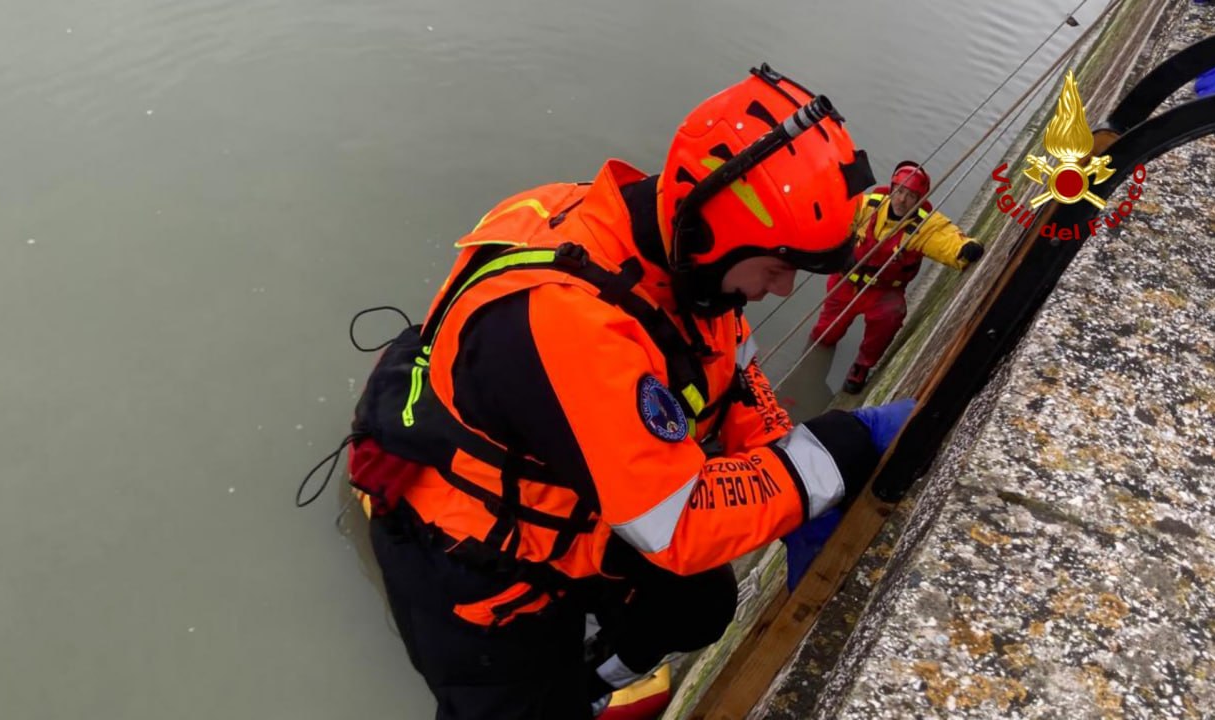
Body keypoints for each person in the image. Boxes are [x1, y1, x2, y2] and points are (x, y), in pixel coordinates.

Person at [347, 65, 915, 720]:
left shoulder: (681, 260)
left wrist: (778, 449)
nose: (783, 289)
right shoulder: (570, 322)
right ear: (715, 233)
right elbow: (676, 522)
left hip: (580, 503)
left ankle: (597, 678)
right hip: (479, 568)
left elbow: (735, 376)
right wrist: (827, 458)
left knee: (697, 605)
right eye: (779, 266)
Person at [808, 161, 985, 394]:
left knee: (889, 318)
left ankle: (862, 365)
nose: (902, 200)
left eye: (911, 196)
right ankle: (814, 358)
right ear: (892, 188)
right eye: (900, 191)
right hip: (846, 282)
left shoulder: (924, 225)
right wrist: (840, 252)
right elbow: (836, 218)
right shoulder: (868, 206)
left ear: (919, 199)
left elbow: (946, 239)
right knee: (824, 333)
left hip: (884, 292)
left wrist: (965, 248)